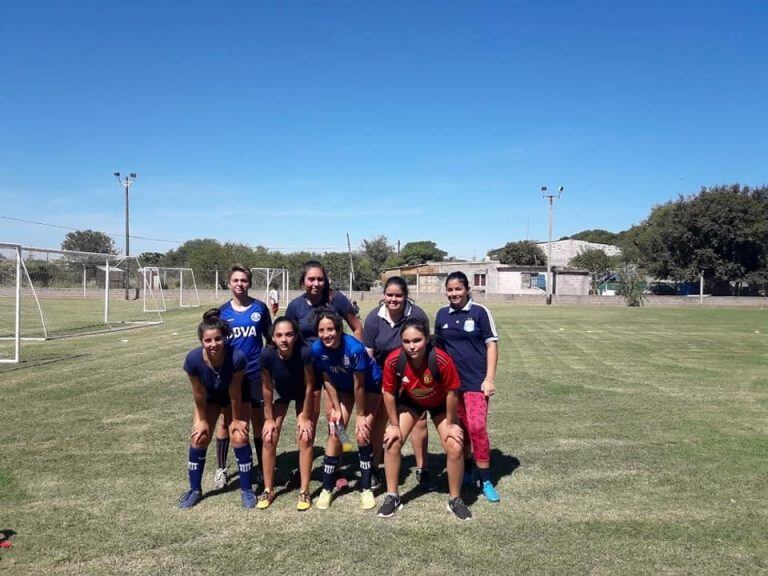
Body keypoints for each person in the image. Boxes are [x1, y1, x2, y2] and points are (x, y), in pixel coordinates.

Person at [378, 317, 471, 520]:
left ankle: (455, 499)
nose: (411, 346)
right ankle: (392, 496)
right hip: (412, 401)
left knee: (455, 445)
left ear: (427, 339)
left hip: (439, 403)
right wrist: (394, 425)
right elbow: (388, 393)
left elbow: (452, 393)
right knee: (392, 441)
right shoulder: (394, 360)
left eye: (417, 340)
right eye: (406, 341)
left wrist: (452, 424)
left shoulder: (441, 359)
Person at [179, 309, 256, 509]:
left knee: (239, 436)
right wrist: (202, 419)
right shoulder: (193, 360)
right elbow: (198, 393)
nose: (213, 344)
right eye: (208, 340)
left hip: (236, 396)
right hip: (210, 397)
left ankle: (247, 490)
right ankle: (195, 490)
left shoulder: (236, 357)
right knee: (200, 436)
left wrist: (238, 419)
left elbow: (235, 392)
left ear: (225, 338)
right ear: (201, 341)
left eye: (218, 339)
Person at [435, 271, 500, 503]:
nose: (454, 293)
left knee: (477, 427)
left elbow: (492, 345)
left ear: (467, 289)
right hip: (451, 386)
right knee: (459, 428)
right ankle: (467, 469)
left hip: (475, 383)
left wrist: (489, 378)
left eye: (458, 289)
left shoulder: (480, 312)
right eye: (450, 290)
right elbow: (439, 350)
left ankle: (486, 479)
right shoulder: (442, 314)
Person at [363, 276, 434, 490]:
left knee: (419, 422)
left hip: (413, 377)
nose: (394, 299)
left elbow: (424, 347)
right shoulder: (374, 318)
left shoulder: (417, 315)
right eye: (390, 295)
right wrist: (379, 383)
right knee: (379, 421)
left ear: (405, 296)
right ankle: (376, 467)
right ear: (383, 296)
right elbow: (369, 353)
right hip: (383, 377)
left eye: (399, 295)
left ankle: (423, 468)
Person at [311, 312, 381, 510]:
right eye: (322, 330)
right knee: (336, 431)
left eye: (331, 329)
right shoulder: (317, 348)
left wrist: (360, 416)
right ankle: (327, 487)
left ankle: (366, 488)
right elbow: (326, 378)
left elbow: (359, 385)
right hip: (341, 388)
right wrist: (335, 407)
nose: (326, 334)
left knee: (362, 433)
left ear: (340, 330)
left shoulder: (355, 349)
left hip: (368, 387)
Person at [211, 265, 272, 490]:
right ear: (229, 283)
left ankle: (257, 469)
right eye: (235, 280)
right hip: (230, 376)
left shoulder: (260, 308)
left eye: (244, 280)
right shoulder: (222, 312)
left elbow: (270, 338)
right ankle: (221, 469)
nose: (240, 284)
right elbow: (216, 344)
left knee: (258, 421)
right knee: (226, 421)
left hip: (255, 374)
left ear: (249, 283)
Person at [257, 317, 315, 511]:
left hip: (301, 394)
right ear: (273, 337)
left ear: (296, 336)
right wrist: (269, 419)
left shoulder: (304, 352)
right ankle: (268, 489)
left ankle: (304, 490)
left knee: (305, 436)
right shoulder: (266, 355)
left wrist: (305, 417)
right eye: (279, 335)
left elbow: (309, 386)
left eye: (289, 334)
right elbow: (266, 387)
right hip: (280, 395)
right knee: (269, 437)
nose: (284, 339)